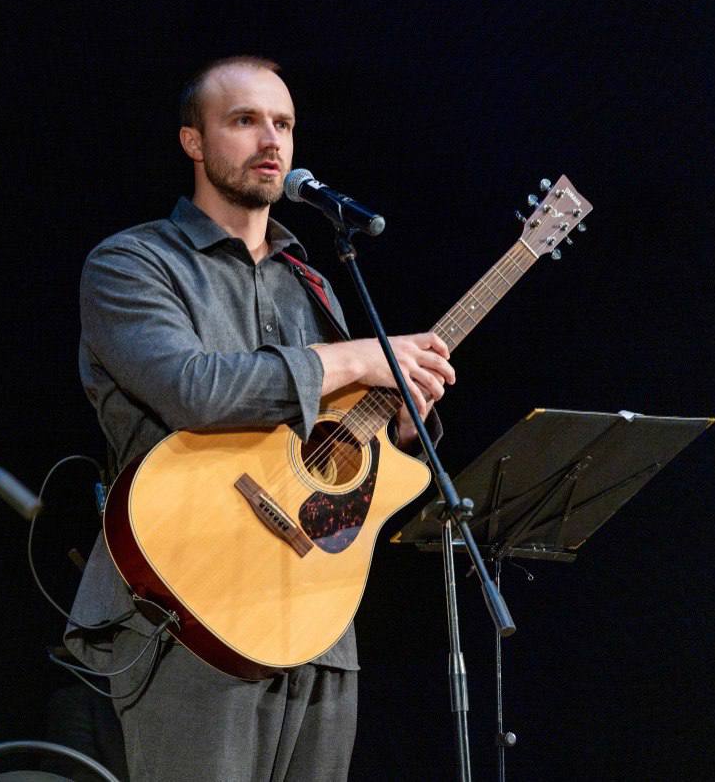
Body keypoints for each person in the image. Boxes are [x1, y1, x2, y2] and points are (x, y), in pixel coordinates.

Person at [67, 56, 455, 781]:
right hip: (188, 607)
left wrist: (402, 425)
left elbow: (334, 434)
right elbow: (194, 390)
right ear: (193, 141)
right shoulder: (133, 263)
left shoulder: (310, 281)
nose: (271, 140)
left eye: (283, 123)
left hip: (318, 616)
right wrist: (355, 357)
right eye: (244, 121)